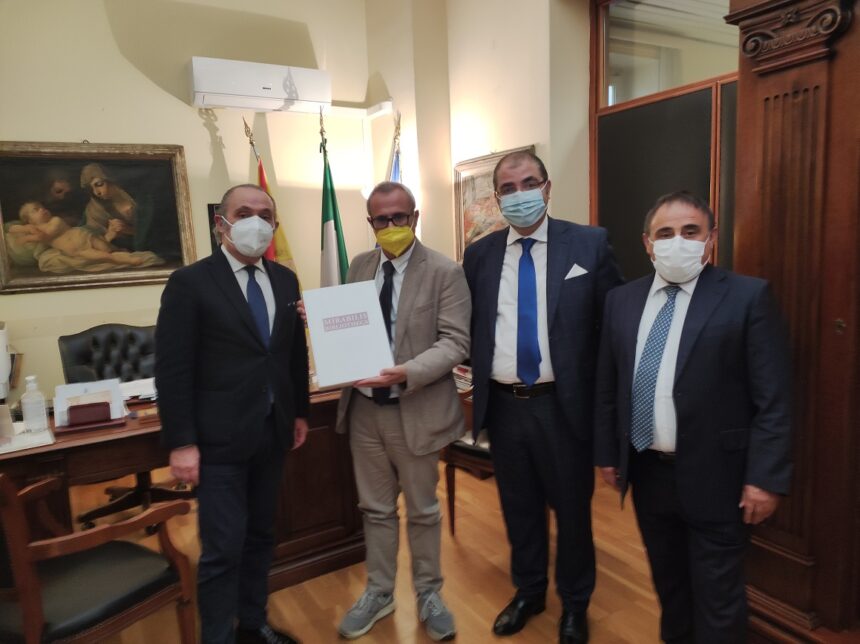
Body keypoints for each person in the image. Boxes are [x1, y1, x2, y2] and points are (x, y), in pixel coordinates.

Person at [594, 191, 792, 643]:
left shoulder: (747, 297)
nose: (677, 241)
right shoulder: (621, 300)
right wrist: (608, 453)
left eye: (690, 231)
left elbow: (774, 399)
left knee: (718, 598)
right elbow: (608, 385)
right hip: (648, 473)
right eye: (665, 233)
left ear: (711, 239)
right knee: (670, 587)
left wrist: (765, 478)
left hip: (719, 476)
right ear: (648, 243)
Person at [463, 151, 623, 644]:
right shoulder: (480, 255)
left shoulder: (589, 244)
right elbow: (465, 325)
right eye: (508, 188)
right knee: (519, 509)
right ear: (497, 198)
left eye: (529, 183)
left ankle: (575, 604)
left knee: (573, 514)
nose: (520, 195)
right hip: (505, 406)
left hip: (563, 406)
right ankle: (529, 591)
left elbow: (615, 324)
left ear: (547, 188)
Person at [155, 184, 309, 644]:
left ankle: (253, 624)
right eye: (244, 213)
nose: (255, 222)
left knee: (261, 536)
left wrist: (299, 412)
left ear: (275, 225)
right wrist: (181, 442)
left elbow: (291, 354)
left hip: (272, 432)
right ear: (220, 223)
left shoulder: (285, 280)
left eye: (265, 215)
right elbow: (173, 368)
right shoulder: (190, 283)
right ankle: (218, 636)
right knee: (223, 549)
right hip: (218, 440)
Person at [335, 181, 470, 641]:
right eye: (381, 219)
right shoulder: (359, 266)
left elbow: (456, 342)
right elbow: (350, 328)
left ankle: (429, 594)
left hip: (415, 408)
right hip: (364, 412)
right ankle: (379, 592)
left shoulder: (445, 271)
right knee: (374, 509)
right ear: (370, 223)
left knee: (423, 510)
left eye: (399, 217)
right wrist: (324, 324)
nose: (391, 225)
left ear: (414, 218)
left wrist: (406, 372)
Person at [10, 201, 158, 267]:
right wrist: (24, 229)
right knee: (105, 256)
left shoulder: (55, 220)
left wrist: (27, 235)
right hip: (75, 250)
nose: (42, 209)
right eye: (36, 210)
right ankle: (128, 261)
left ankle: (120, 251)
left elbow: (46, 235)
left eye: (42, 207)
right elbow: (12, 229)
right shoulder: (33, 228)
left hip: (83, 236)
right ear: (29, 220)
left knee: (106, 248)